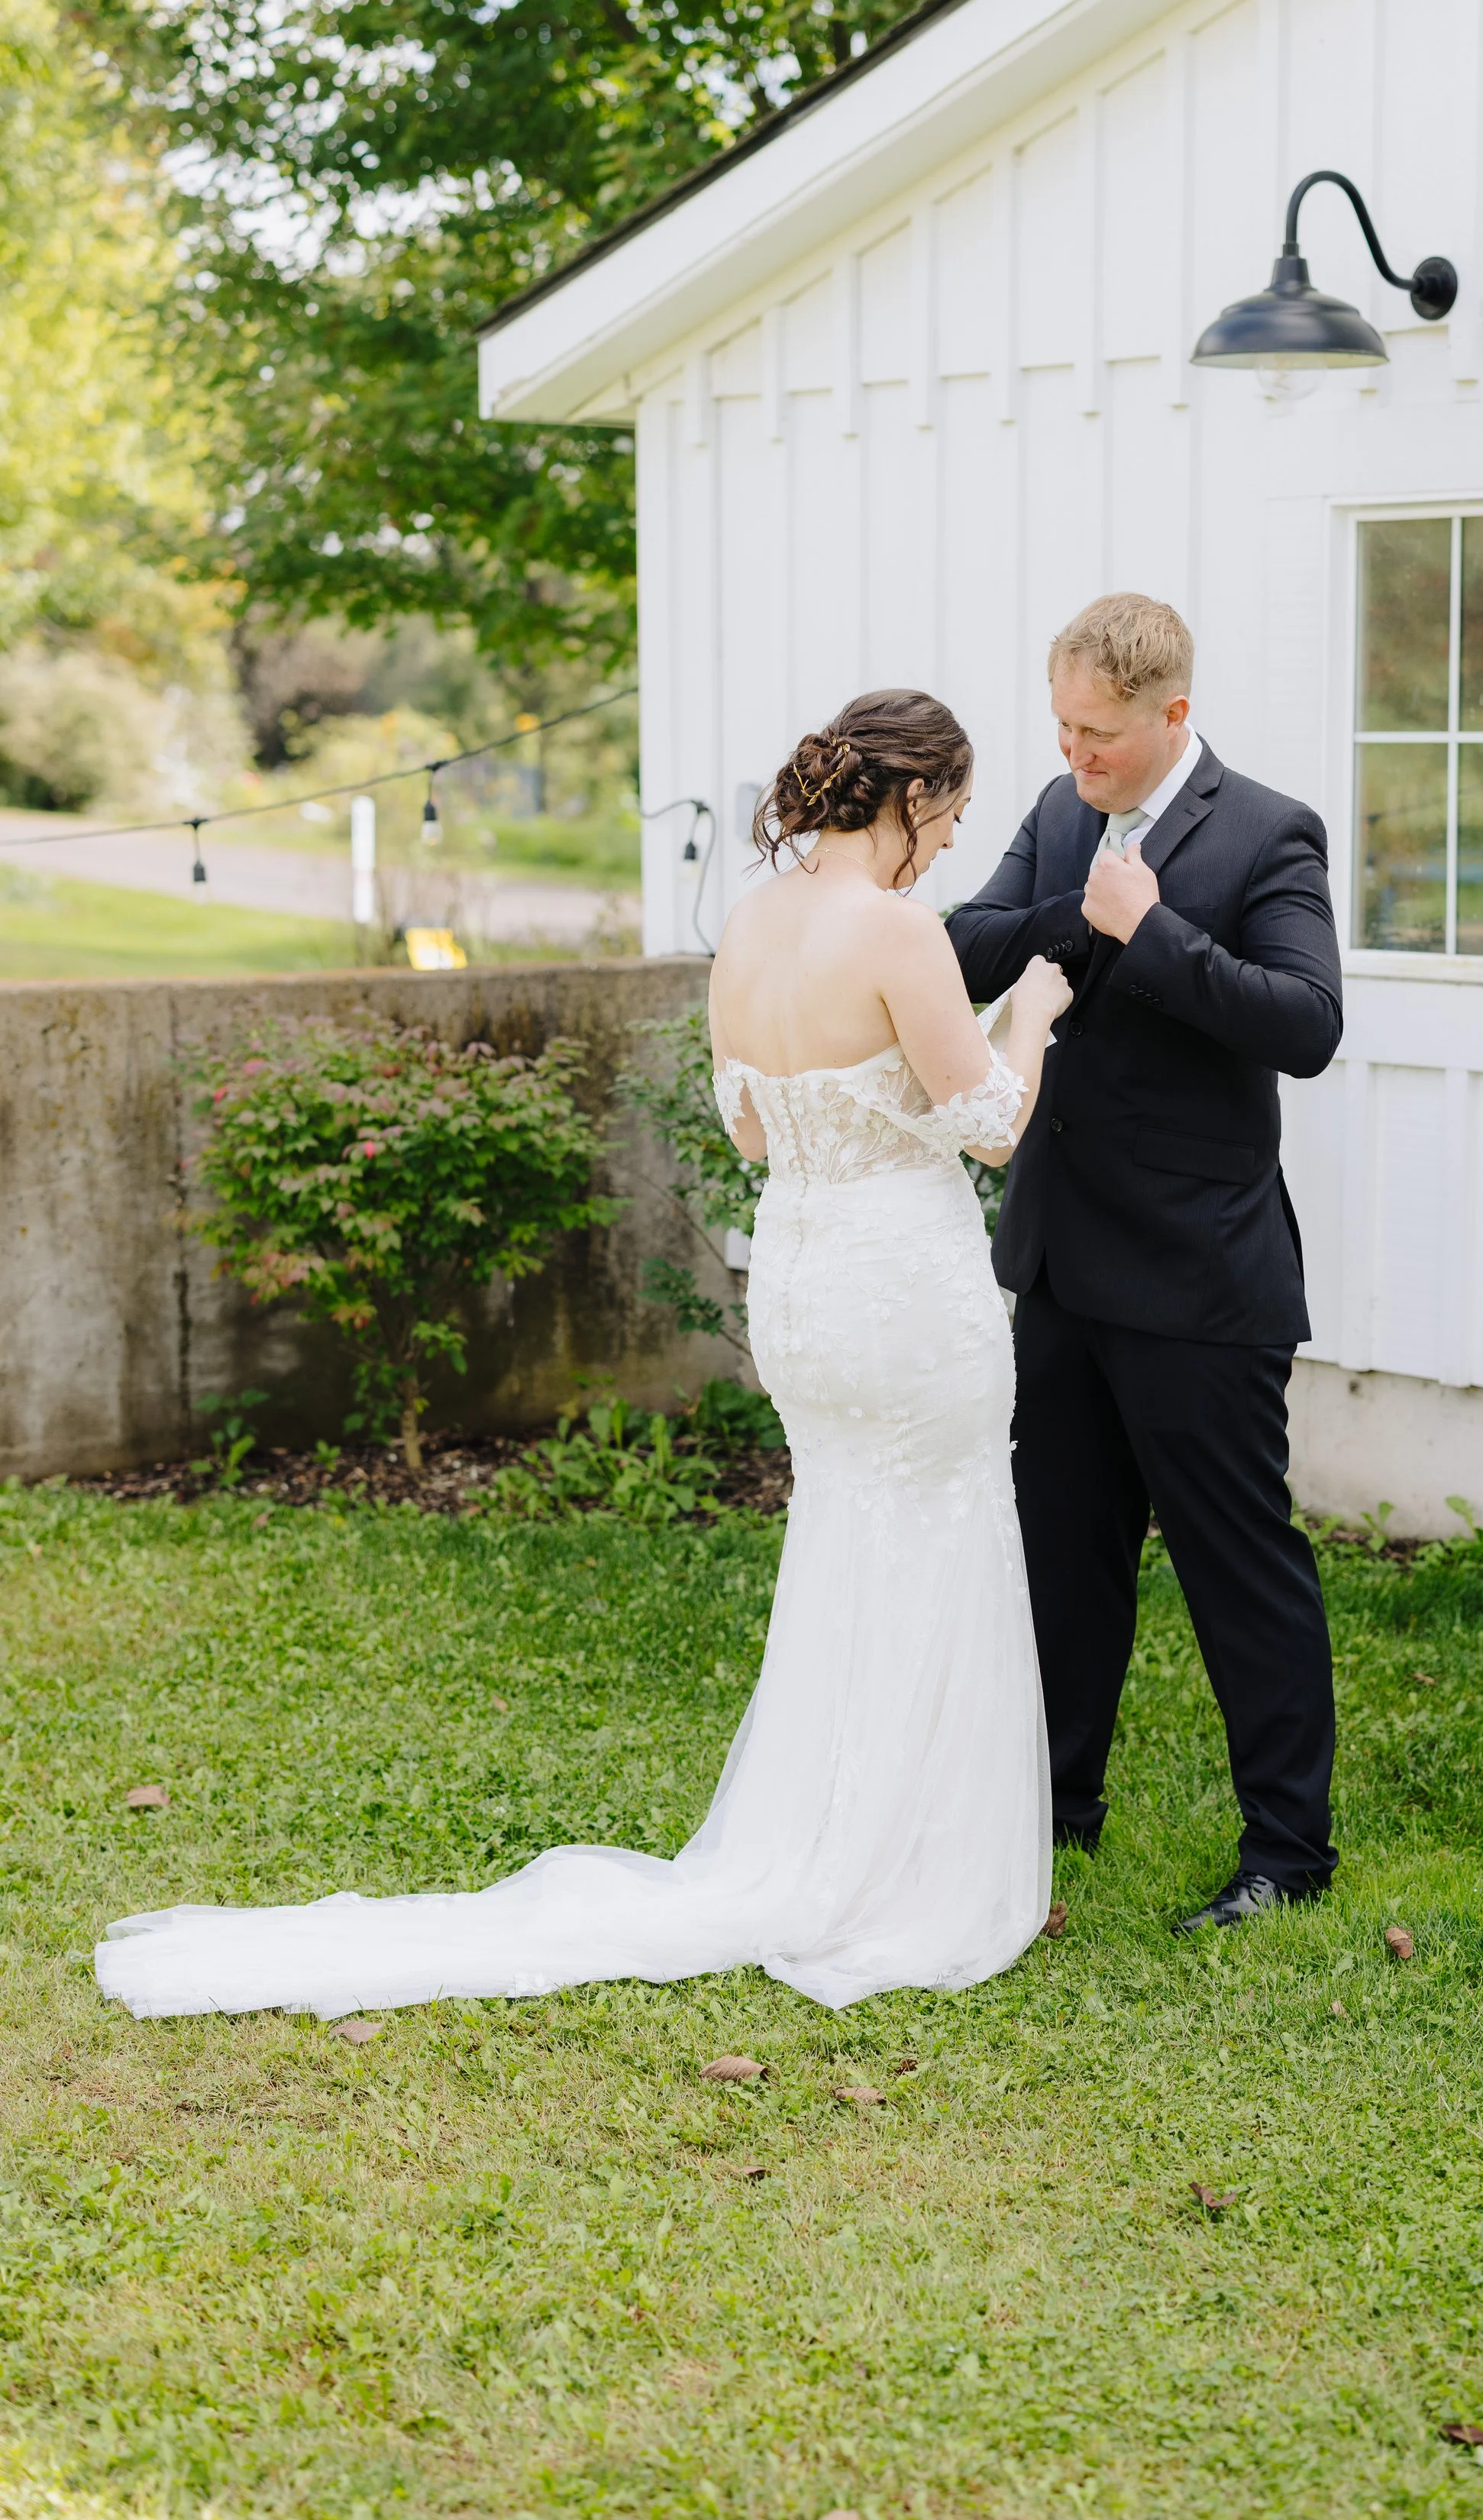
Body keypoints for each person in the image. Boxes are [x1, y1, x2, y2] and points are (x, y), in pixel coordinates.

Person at [95, 692, 1073, 2020]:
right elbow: (991, 1125)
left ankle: (835, 1836)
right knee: (941, 1534)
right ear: (911, 798)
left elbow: (756, 1138)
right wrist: (1037, 1013)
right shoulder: (899, 932)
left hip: (804, 1285)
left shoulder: (757, 922)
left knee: (854, 1539)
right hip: (906, 1292)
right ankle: (908, 1869)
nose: (951, 844)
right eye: (952, 816)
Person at [945, 593, 1343, 1930]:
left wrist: (1152, 932)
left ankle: (1287, 1855)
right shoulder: (1063, 817)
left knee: (1240, 1565)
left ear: (1174, 714)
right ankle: (1055, 1809)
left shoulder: (1269, 829)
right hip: (1060, 1263)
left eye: (1100, 734)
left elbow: (1306, 1023)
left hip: (1199, 1276)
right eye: (1061, 726)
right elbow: (965, 944)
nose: (1075, 756)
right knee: (1063, 1552)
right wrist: (1080, 904)